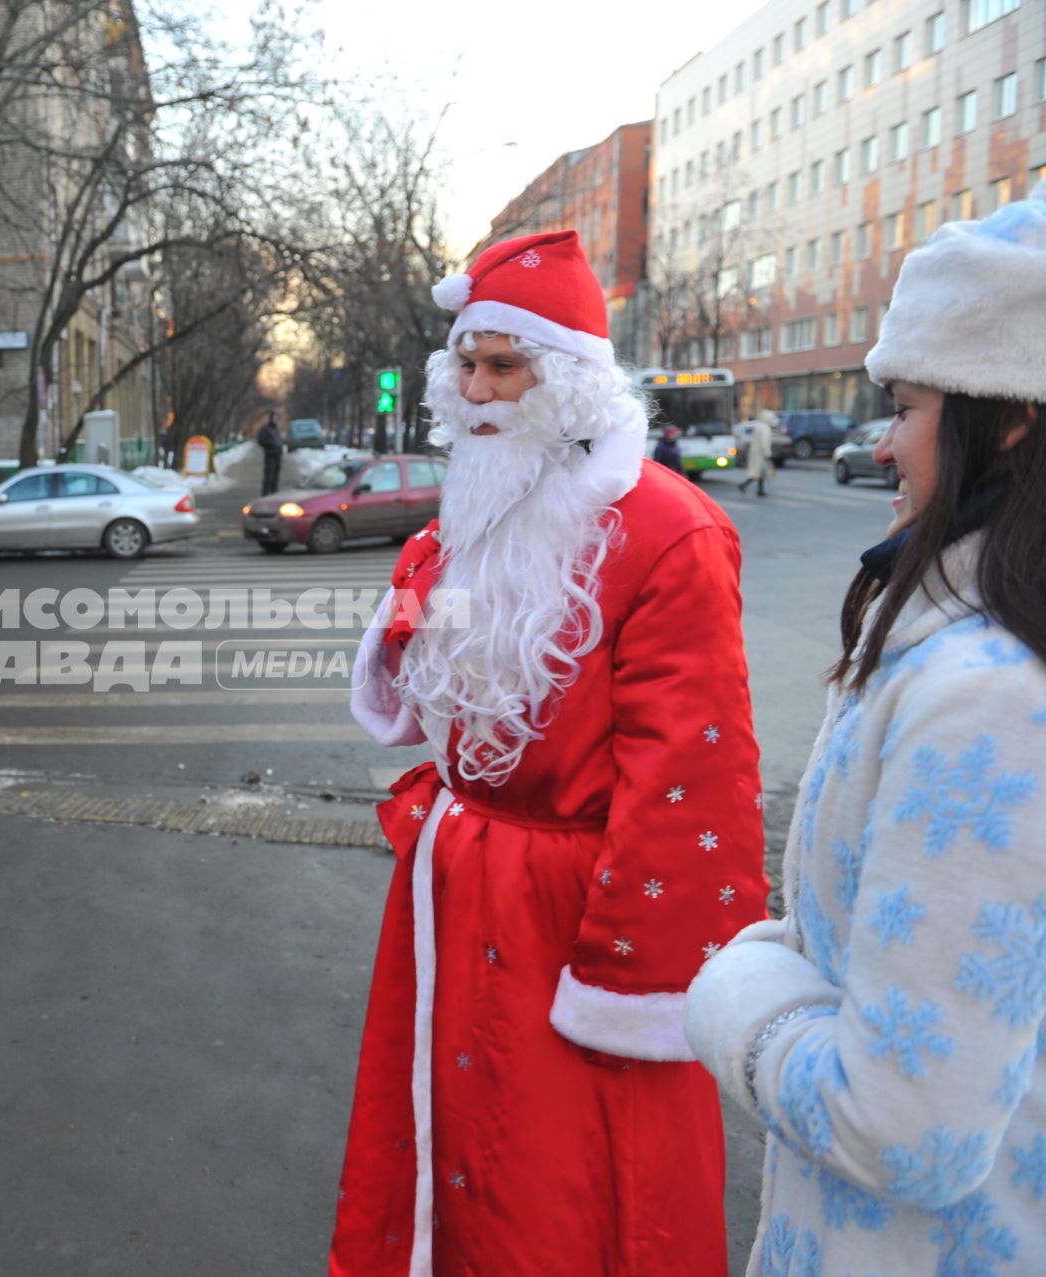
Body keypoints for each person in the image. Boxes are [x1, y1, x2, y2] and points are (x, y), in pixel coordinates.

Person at [338, 229, 767, 1276]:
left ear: (568, 377)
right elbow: (409, 697)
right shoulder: (450, 529)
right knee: (443, 1139)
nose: (478, 390)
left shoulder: (671, 531)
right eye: (466, 365)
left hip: (576, 918)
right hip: (455, 891)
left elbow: (690, 774)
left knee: (566, 1178)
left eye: (505, 364)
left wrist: (628, 975)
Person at [685, 188, 1046, 1276]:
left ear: (1010, 412)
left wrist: (731, 988)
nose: (883, 445)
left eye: (906, 406)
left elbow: (903, 1124)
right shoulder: (971, 646)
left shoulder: (987, 692)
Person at [738, 408, 776, 496]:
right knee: (757, 472)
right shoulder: (765, 428)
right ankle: (744, 485)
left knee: (760, 472)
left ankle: (760, 490)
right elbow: (764, 442)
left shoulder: (759, 426)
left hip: (755, 452)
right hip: (760, 453)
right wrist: (768, 453)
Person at [256, 411, 285, 495]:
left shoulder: (276, 429)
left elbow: (279, 440)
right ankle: (265, 495)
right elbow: (260, 441)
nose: (275, 419)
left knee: (276, 478)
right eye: (274, 417)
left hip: (278, 456)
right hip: (270, 456)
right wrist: (271, 443)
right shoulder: (265, 429)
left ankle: (274, 495)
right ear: (271, 418)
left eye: (277, 418)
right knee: (269, 477)